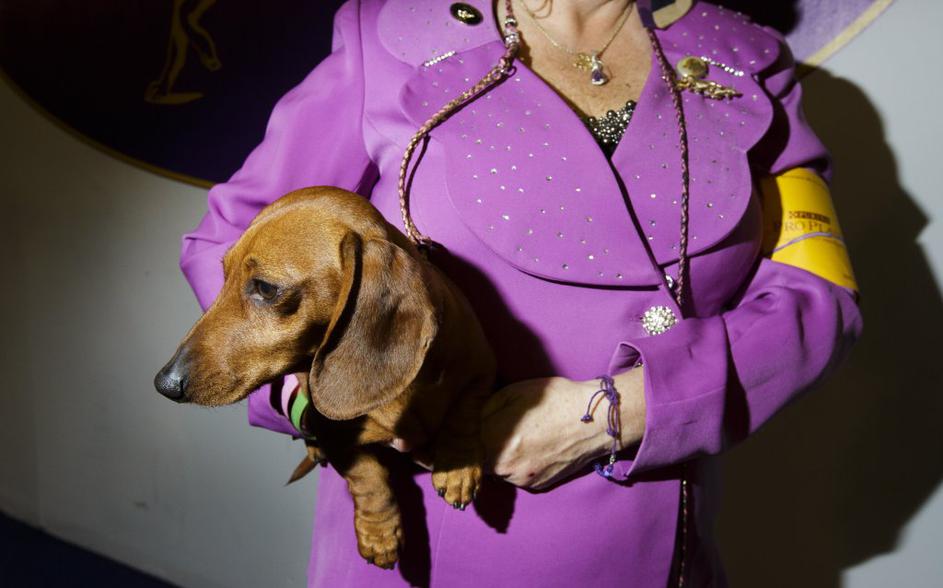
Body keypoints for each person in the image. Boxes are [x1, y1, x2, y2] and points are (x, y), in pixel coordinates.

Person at [178, 0, 863, 585]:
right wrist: (319, 407)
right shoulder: (388, 37)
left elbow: (819, 301)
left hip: (642, 546)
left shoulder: (745, 59)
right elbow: (233, 247)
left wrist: (622, 412)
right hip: (424, 537)